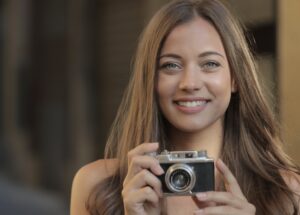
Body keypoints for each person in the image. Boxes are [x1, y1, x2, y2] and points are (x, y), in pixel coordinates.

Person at [70, 0, 300, 214]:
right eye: (171, 65)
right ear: (151, 79)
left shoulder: (287, 191)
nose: (189, 83)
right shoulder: (96, 186)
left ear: (235, 78)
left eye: (209, 64)